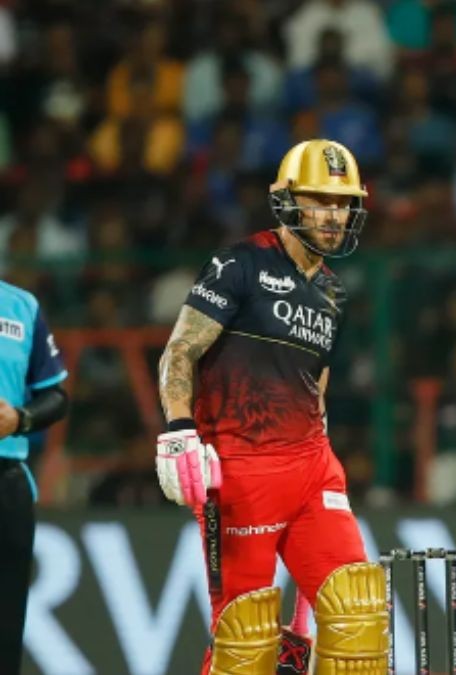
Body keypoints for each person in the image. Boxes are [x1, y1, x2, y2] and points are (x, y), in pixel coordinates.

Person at [155, 139, 387, 673]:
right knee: (247, 641)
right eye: (320, 201)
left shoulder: (334, 293)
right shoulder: (239, 264)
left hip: (312, 468)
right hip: (240, 473)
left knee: (358, 616)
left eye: (343, 203)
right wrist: (179, 431)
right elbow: (181, 350)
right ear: (287, 201)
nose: (333, 215)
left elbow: (316, 389)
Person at [0, 281, 68, 675]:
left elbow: (55, 396)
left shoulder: (21, 306)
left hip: (7, 483)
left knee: (6, 623)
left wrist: (19, 419)